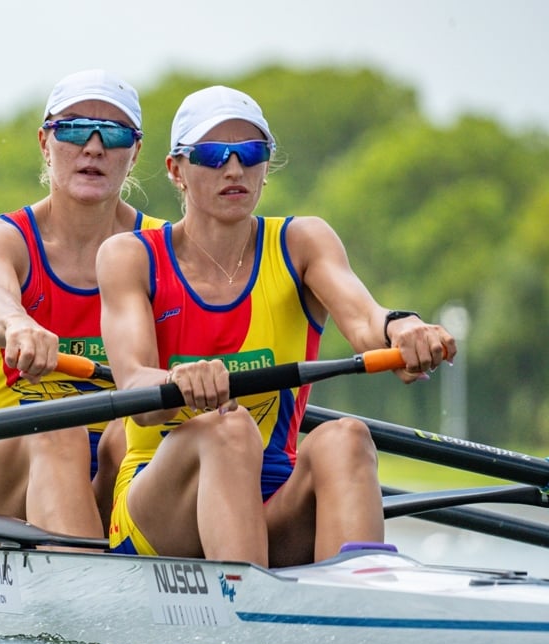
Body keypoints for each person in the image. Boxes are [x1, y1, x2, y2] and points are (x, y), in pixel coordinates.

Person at [97, 85, 456, 567]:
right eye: (211, 154)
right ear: (176, 170)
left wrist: (404, 327)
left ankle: (361, 608)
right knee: (227, 427)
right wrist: (174, 381)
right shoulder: (130, 256)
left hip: (272, 502)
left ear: (266, 166)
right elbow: (135, 388)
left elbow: (369, 323)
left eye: (250, 153)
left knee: (346, 437)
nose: (233, 168)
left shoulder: (302, 242)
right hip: (159, 510)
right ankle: (253, 611)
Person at [0, 69, 166, 540]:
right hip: (3, 474)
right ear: (45, 143)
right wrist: (16, 323)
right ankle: (92, 591)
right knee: (57, 428)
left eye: (113, 133)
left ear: (135, 152)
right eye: (72, 129)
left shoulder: (164, 248)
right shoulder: (1, 240)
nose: (93, 147)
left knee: (127, 436)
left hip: (118, 465)